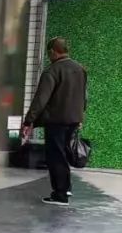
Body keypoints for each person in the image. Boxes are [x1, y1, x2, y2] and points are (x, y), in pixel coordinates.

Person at [22, 37, 87, 206]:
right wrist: (80, 116)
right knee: (64, 153)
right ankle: (66, 188)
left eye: (48, 53)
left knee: (56, 156)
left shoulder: (52, 71)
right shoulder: (80, 69)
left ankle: (60, 194)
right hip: (74, 119)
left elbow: (41, 99)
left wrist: (29, 121)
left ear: (52, 52)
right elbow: (83, 95)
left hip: (57, 121)